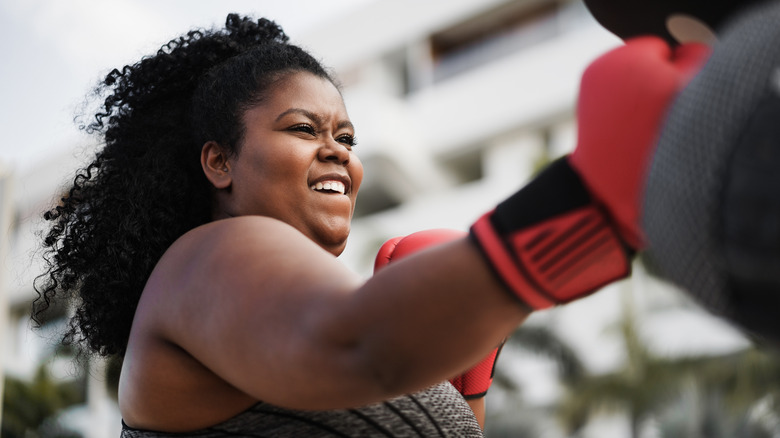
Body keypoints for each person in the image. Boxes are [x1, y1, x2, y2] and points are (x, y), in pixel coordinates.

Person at [32, 14, 709, 437]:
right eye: (303, 129)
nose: (338, 152)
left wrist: (463, 384)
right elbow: (359, 346)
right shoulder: (202, 259)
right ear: (219, 162)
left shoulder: (317, 307)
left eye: (348, 138)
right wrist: (588, 199)